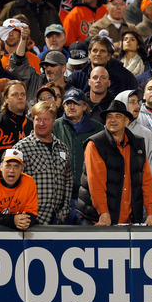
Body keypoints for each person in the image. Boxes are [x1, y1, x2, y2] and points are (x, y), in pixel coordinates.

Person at [77, 100, 152, 226]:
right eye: (109, 116)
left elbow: (146, 181)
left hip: (130, 219)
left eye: (118, 116)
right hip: (97, 218)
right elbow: (95, 182)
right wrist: (103, 212)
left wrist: (151, 213)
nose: (113, 120)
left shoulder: (138, 144)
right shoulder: (95, 144)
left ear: (127, 121)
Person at [12, 101, 72, 225]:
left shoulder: (63, 148)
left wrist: (65, 210)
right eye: (38, 119)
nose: (41, 123)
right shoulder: (21, 148)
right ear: (32, 120)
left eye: (46, 119)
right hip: (31, 218)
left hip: (58, 219)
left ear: (54, 120)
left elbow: (68, 180)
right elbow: (11, 182)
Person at [52, 88, 104, 225]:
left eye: (75, 103)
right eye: (68, 103)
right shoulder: (55, 126)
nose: (71, 106)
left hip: (88, 197)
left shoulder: (97, 128)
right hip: (62, 197)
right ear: (63, 106)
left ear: (85, 106)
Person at [0, 80, 33, 167]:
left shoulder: (32, 126)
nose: (20, 97)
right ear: (6, 99)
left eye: (23, 94)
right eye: (15, 94)